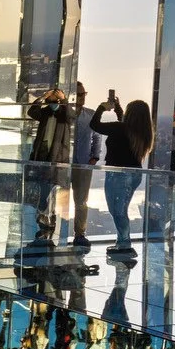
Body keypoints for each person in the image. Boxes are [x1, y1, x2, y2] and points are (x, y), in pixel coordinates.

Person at [90, 93, 154, 261]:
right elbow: (123, 124)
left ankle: (125, 243)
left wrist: (102, 107)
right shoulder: (143, 132)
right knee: (121, 210)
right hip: (134, 175)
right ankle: (122, 242)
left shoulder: (120, 129)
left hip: (118, 174)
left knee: (117, 211)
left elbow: (94, 124)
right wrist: (118, 109)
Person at [27, 88, 75, 245]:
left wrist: (64, 99)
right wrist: (42, 97)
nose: (53, 101)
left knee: (52, 189)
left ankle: (48, 221)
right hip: (42, 154)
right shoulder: (46, 112)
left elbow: (71, 116)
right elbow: (32, 112)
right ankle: (44, 221)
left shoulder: (64, 113)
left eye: (56, 98)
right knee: (43, 189)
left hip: (57, 157)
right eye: (52, 98)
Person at [71, 82, 102, 250]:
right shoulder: (64, 114)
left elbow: (98, 136)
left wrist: (94, 157)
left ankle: (80, 234)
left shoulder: (90, 115)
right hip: (62, 162)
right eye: (79, 94)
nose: (82, 98)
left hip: (83, 164)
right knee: (52, 196)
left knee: (81, 200)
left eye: (84, 94)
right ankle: (47, 228)